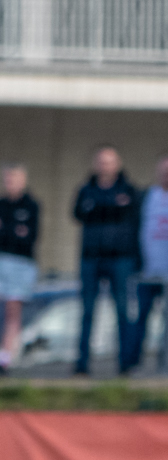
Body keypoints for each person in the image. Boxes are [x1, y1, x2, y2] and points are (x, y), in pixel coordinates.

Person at [73, 145, 144, 375]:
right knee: (87, 311)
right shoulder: (85, 190)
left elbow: (133, 218)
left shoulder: (130, 190)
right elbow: (78, 214)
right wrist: (112, 208)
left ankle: (125, 364)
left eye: (109, 161)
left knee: (123, 311)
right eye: (101, 161)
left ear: (118, 164)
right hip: (91, 259)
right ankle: (82, 364)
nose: (105, 166)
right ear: (95, 164)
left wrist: (99, 210)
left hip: (121, 259)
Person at [0, 164, 41, 378]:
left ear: (23, 180)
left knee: (12, 311)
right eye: (7, 179)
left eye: (14, 178)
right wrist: (12, 230)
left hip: (21, 262)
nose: (10, 182)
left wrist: (2, 229)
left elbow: (28, 237)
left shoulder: (31, 205)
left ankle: (4, 360)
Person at [135, 156, 168, 374]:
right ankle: (133, 364)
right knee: (141, 318)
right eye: (163, 171)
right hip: (147, 272)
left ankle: (164, 367)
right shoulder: (147, 197)